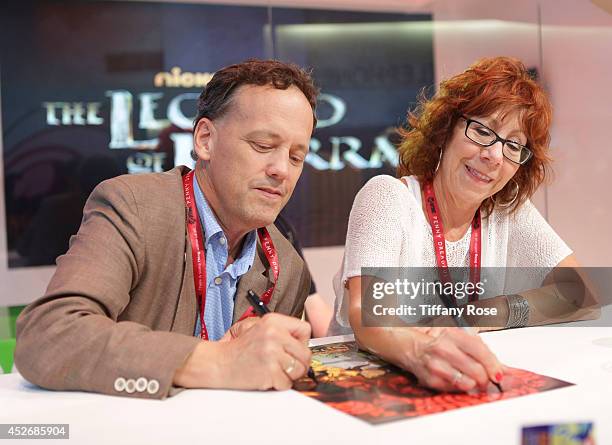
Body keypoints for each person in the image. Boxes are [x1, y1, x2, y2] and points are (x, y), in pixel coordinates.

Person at [15, 59, 319, 399]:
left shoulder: (288, 267)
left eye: (296, 156)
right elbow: (48, 337)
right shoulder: (133, 207)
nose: (282, 169)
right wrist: (216, 361)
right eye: (263, 145)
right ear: (205, 140)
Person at [334, 57, 599, 394]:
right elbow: (368, 316)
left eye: (514, 145)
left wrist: (483, 313)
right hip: (376, 389)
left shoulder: (506, 211)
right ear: (446, 130)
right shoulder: (389, 198)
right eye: (483, 131)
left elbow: (582, 293)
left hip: (463, 382)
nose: (495, 155)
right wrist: (425, 349)